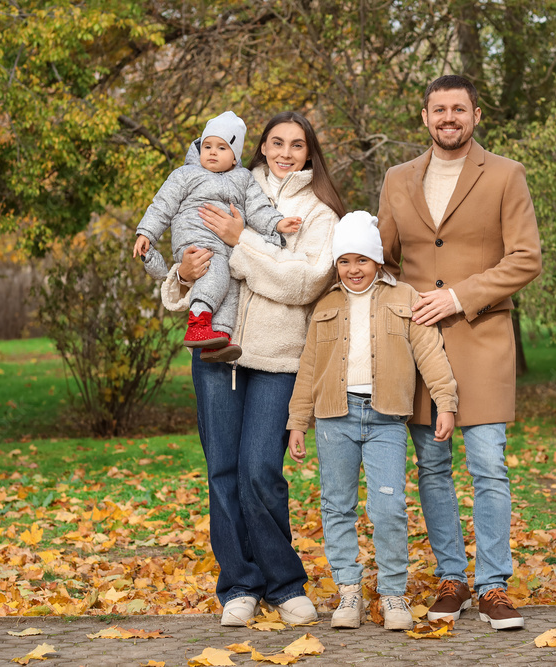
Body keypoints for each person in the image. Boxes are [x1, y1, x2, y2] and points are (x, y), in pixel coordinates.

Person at [161, 111, 345, 626]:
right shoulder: (224, 184)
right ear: (259, 147)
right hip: (217, 351)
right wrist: (183, 272)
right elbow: (192, 258)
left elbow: (303, 284)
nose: (285, 152)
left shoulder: (319, 215)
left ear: (310, 154)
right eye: (276, 142)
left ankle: (284, 583)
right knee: (222, 471)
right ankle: (239, 584)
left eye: (297, 145)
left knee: (260, 469)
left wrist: (242, 242)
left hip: (278, 357)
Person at [376, 75, 542, 631]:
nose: (449, 118)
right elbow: (386, 260)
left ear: (476, 115)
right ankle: (453, 577)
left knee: (490, 466)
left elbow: (525, 259)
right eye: (439, 109)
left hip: (482, 337)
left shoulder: (505, 174)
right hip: (421, 346)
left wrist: (456, 296)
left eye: (459, 109)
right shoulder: (397, 179)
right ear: (424, 116)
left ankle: (494, 584)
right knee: (432, 467)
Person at [286, 211, 458, 631]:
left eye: (361, 259)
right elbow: (309, 366)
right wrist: (296, 421)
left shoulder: (405, 298)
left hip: (385, 419)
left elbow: (430, 353)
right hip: (334, 417)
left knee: (388, 507)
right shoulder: (325, 304)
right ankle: (348, 592)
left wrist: (446, 401)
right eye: (344, 261)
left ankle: (393, 593)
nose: (353, 269)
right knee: (336, 505)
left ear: (377, 260)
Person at [133, 110, 302, 362]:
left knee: (231, 286)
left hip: (228, 249)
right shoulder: (185, 174)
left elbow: (258, 208)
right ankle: (198, 322)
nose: (212, 152)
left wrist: (277, 223)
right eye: (207, 145)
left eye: (222, 148)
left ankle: (218, 338)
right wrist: (147, 232)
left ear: (235, 157)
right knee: (215, 271)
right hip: (198, 240)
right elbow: (162, 205)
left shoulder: (244, 179)